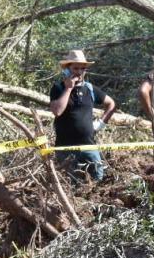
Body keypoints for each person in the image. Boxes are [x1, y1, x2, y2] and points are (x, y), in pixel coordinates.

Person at [49, 49, 115, 183]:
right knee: (72, 185)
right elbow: (57, 111)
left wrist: (101, 123)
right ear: (67, 69)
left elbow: (111, 104)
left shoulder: (90, 89)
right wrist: (68, 88)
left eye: (82, 69)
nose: (79, 72)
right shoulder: (58, 88)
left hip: (89, 146)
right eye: (75, 68)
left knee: (98, 181)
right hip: (66, 149)